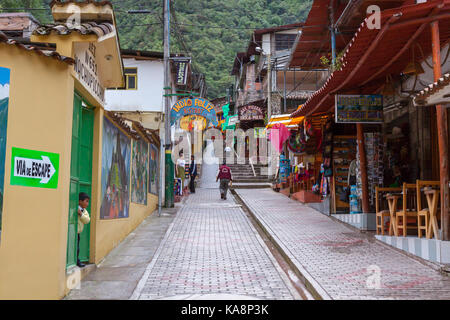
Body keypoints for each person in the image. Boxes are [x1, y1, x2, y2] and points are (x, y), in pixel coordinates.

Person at [77, 192, 91, 268]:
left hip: (78, 233)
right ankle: (76, 261)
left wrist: (81, 214)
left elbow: (87, 220)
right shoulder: (74, 207)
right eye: (86, 201)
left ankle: (77, 261)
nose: (87, 204)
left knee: (77, 248)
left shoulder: (84, 211)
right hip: (72, 232)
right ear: (80, 201)